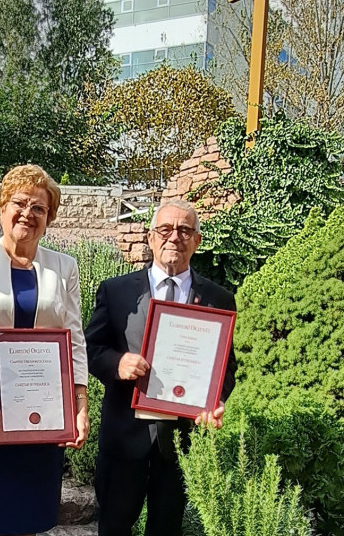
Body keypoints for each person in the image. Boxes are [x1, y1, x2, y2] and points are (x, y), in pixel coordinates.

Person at [0, 164, 89, 536]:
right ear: (2, 207)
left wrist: (80, 405)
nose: (28, 213)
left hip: (43, 409)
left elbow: (74, 338)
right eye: (20, 203)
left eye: (39, 208)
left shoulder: (64, 267)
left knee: (31, 517)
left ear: (49, 219)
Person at [85, 199, 237, 536]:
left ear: (197, 241)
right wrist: (117, 363)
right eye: (165, 229)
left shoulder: (219, 298)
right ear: (151, 237)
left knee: (167, 530)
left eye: (185, 230)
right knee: (113, 528)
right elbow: (90, 348)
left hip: (180, 442)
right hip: (124, 436)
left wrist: (215, 399)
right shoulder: (116, 291)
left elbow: (227, 366)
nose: (174, 237)